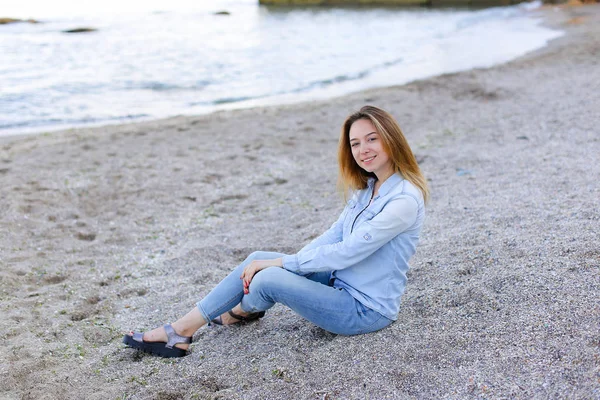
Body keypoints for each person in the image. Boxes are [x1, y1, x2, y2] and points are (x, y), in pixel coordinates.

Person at [123, 105, 429, 358]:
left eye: (372, 139)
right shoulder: (368, 189)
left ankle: (238, 312)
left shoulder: (403, 200)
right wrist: (288, 260)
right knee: (257, 259)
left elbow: (348, 251)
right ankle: (181, 330)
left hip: (364, 309)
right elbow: (333, 236)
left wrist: (282, 265)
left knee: (268, 276)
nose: (363, 150)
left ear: (391, 139)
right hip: (339, 282)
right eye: (355, 143)